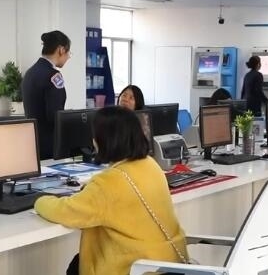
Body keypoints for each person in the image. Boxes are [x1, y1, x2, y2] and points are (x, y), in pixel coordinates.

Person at [35, 106, 189, 275]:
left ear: (104, 140)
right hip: (171, 265)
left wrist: (39, 200)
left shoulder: (108, 183)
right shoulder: (151, 165)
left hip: (139, 268)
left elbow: (66, 212)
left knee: (76, 267)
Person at [21, 30, 71, 160]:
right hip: (50, 145)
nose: (69, 57)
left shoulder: (30, 72)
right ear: (61, 50)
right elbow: (55, 114)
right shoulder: (53, 75)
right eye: (68, 52)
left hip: (32, 142)